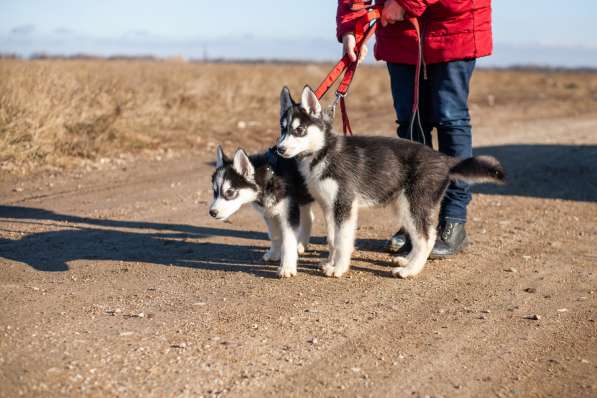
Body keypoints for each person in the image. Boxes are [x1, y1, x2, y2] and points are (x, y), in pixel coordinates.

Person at [336, 0, 493, 257]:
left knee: (449, 119)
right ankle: (416, 219)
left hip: (454, 25)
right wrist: (352, 26)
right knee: (410, 123)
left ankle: (453, 220)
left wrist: (405, 2)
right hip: (400, 34)